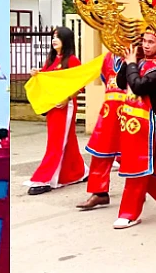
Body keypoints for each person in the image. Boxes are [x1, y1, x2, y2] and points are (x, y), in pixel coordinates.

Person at [111, 29, 156, 229]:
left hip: (147, 127)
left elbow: (138, 86)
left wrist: (131, 64)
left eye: (151, 42)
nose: (146, 45)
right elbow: (122, 83)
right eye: (144, 41)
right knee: (138, 166)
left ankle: (130, 213)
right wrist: (129, 60)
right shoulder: (140, 62)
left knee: (136, 169)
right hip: (130, 125)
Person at [25, 26, 87, 195]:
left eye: (58, 37)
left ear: (66, 40)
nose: (54, 39)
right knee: (66, 139)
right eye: (53, 36)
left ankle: (45, 179)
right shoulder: (51, 59)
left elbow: (80, 84)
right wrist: (36, 74)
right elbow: (46, 79)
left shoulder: (72, 60)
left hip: (65, 106)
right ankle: (79, 171)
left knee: (57, 141)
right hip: (53, 106)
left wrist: (67, 98)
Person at [77, 50, 124, 211]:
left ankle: (141, 189)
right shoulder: (108, 58)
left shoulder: (138, 54)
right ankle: (99, 192)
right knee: (100, 149)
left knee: (132, 153)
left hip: (131, 110)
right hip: (109, 111)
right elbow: (105, 78)